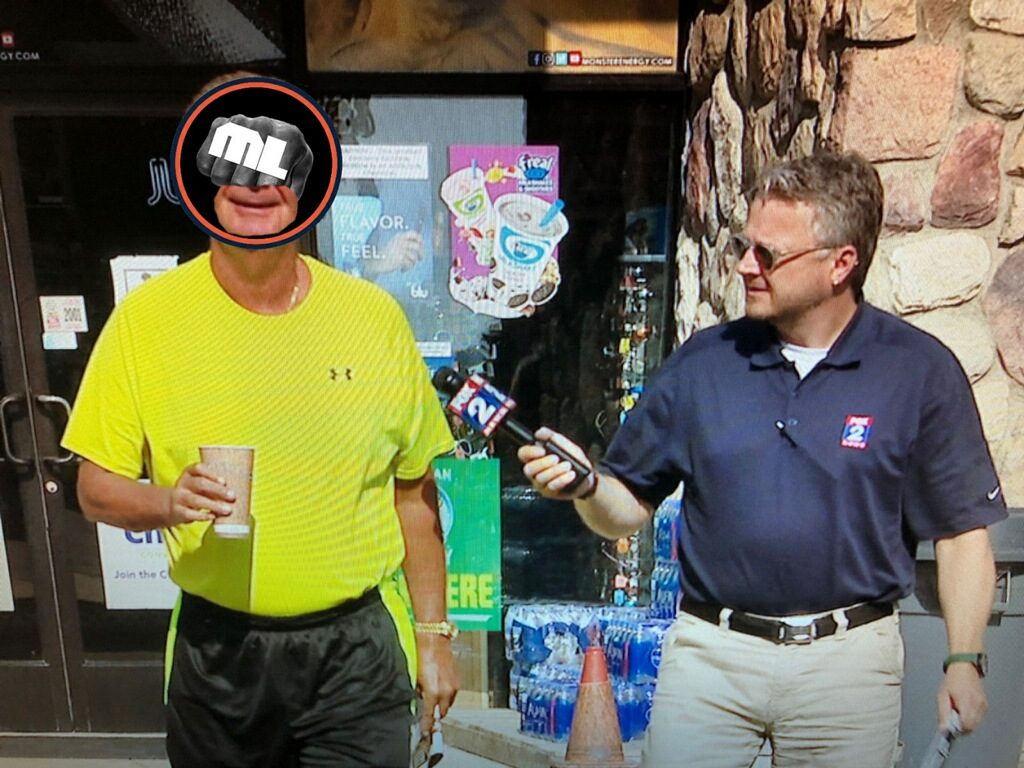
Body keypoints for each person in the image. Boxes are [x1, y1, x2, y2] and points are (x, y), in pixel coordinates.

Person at [519, 150, 1006, 767]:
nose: (746, 265)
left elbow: (963, 535)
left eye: (769, 255)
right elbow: (627, 505)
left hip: (848, 664)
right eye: (744, 247)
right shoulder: (705, 363)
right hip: (711, 658)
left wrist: (963, 660)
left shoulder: (917, 371)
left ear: (841, 264)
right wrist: (587, 487)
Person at [62, 75, 459, 768]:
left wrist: (433, 637)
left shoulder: (373, 319)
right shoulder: (146, 322)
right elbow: (95, 489)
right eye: (232, 164)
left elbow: (414, 494)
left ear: (305, 186)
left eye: (276, 168)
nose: (254, 187)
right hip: (219, 656)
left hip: (356, 655)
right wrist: (167, 501)